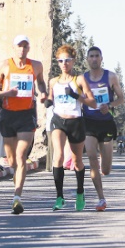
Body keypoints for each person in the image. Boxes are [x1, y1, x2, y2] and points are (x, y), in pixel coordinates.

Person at [0, 35, 47, 214]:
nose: (22, 49)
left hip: (26, 115)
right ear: (14, 48)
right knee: (12, 160)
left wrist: (43, 93)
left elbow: (42, 83)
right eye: (19, 46)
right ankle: (17, 184)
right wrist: (8, 92)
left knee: (21, 157)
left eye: (25, 46)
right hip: (8, 114)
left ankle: (17, 198)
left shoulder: (36, 65)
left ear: (29, 48)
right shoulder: (6, 65)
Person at [47, 44, 97, 211]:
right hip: (58, 121)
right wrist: (46, 101)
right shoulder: (53, 82)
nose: (64, 64)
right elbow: (49, 98)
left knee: (76, 161)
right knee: (58, 156)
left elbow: (92, 101)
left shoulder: (80, 80)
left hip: (76, 122)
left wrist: (76, 95)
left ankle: (80, 192)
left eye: (67, 60)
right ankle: (59, 197)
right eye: (60, 61)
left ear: (73, 61)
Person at [81, 46, 125, 212]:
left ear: (101, 58)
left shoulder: (111, 77)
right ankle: (101, 198)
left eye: (96, 56)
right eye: (91, 56)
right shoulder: (82, 79)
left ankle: (103, 166)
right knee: (92, 157)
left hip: (106, 123)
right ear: (87, 59)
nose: (94, 59)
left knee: (105, 169)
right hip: (89, 122)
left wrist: (110, 106)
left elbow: (121, 98)